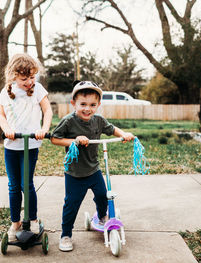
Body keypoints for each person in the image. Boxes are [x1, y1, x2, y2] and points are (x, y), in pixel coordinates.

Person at [51, 80, 134, 252]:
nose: (87, 109)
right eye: (83, 104)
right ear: (73, 103)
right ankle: (66, 234)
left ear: (98, 105)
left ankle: (103, 216)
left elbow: (111, 129)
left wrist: (123, 134)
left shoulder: (98, 120)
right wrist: (75, 140)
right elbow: (55, 139)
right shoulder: (68, 121)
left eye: (92, 105)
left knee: (103, 195)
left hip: (93, 169)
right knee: (71, 204)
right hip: (74, 173)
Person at [0, 53, 53, 242]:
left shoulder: (37, 89)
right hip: (11, 146)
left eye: (32, 77)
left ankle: (33, 219)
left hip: (31, 145)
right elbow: (1, 115)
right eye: (24, 79)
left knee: (26, 185)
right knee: (13, 186)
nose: (29, 81)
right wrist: (7, 129)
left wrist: (44, 129)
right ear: (13, 76)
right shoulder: (6, 92)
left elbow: (47, 110)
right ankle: (15, 223)